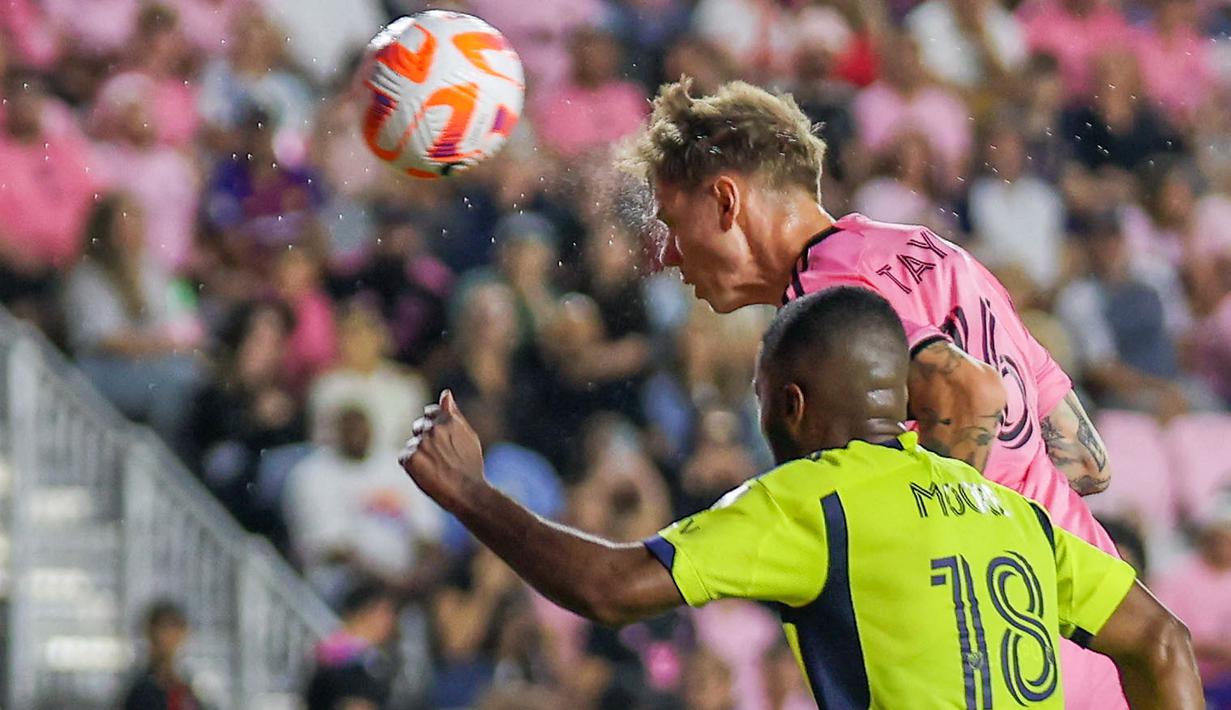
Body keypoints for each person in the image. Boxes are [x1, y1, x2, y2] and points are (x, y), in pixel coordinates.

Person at [399, 287, 1203, 708]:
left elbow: (608, 589)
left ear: (790, 404)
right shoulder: (1012, 512)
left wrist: (470, 492)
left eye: (760, 397)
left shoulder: (816, 498)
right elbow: (1162, 642)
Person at [623, 78, 1127, 708]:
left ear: (725, 199)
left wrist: (951, 547)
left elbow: (969, 391)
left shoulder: (833, 299)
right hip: (1092, 642)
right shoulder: (936, 252)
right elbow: (1088, 463)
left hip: (1002, 667)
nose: (669, 253)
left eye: (672, 222)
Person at [304, 582, 398, 710]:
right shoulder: (351, 661)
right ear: (365, 613)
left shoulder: (327, 650)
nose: (391, 622)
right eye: (385, 613)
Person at [119, 600, 202, 710]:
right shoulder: (141, 690)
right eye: (164, 628)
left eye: (175, 627)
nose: (168, 637)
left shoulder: (190, 687)